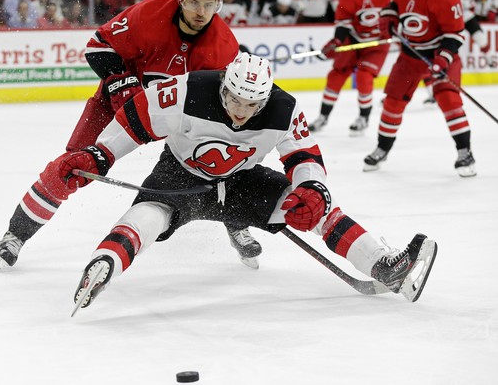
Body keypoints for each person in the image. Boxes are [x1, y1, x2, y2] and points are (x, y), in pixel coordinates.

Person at [42, 52, 438, 311]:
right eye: (234, 99)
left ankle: (386, 267)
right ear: (224, 85)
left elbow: (304, 156)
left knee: (315, 211)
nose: (240, 111)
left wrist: (312, 187)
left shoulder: (284, 108)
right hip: (180, 174)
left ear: (265, 98)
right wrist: (100, 154)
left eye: (251, 105)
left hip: (242, 182)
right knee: (150, 213)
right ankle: (105, 262)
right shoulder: (187, 91)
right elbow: (135, 118)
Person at [0, 0, 267, 272]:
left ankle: (235, 223)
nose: (201, 11)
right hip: (117, 108)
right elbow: (98, 46)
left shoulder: (223, 47)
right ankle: (15, 235)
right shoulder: (148, 15)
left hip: (179, 116)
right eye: (193, 2)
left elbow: (223, 104)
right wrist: (121, 83)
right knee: (72, 167)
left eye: (208, 3)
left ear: (219, 4)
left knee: (221, 161)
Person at [364, 0, 476, 178]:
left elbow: (455, 34)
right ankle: (382, 148)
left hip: (440, 53)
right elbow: (395, 4)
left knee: (448, 99)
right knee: (393, 102)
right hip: (411, 56)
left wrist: (442, 60)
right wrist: (389, 17)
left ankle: (465, 152)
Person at [308, 0, 393, 136]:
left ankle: (363, 117)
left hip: (378, 43)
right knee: (336, 75)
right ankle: (323, 116)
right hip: (354, 40)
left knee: (364, 76)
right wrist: (337, 42)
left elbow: (402, 3)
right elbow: (343, 24)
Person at [423, 0, 490, 104]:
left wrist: (481, 1)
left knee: (481, 39)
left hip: (464, 19)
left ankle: (489, 60)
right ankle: (432, 91)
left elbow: (474, 9)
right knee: (437, 55)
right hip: (449, 24)